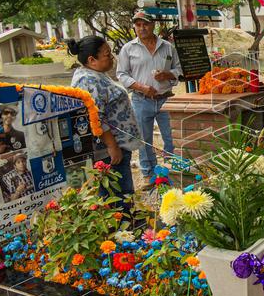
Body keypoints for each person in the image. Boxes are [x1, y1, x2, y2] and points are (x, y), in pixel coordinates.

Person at [69, 36, 139, 209]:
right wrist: (112, 147)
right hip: (110, 149)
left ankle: (126, 226)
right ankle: (124, 229)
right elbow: (96, 118)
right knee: (118, 196)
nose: (112, 58)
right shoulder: (88, 81)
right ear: (92, 60)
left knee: (121, 193)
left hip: (118, 144)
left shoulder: (97, 74)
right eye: (107, 54)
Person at [116, 11, 181, 182]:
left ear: (153, 25)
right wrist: (141, 87)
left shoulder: (167, 47)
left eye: (145, 24)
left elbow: (180, 70)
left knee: (170, 137)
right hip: (141, 100)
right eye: (138, 24)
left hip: (166, 99)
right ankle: (148, 174)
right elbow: (121, 74)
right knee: (144, 140)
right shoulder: (128, 49)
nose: (142, 28)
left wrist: (168, 74)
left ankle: (171, 171)